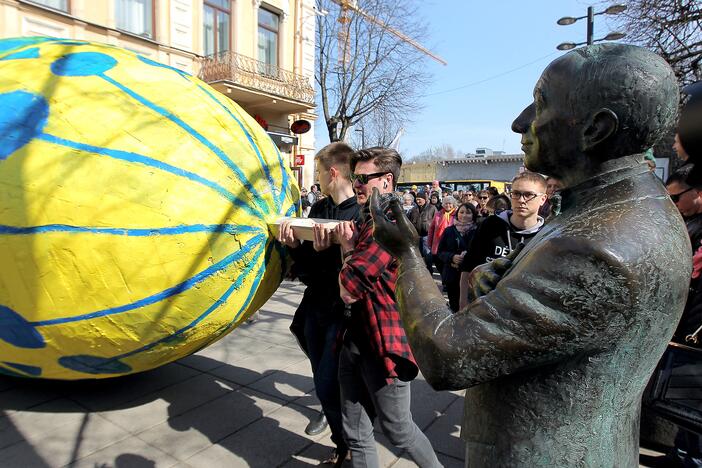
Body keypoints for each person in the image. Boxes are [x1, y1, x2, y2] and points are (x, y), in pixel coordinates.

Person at [369, 44, 689, 466]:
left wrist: (407, 253)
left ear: (596, 130)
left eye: (540, 104)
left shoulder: (598, 247)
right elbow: (513, 276)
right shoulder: (613, 208)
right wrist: (501, 277)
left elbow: (447, 356)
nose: (521, 122)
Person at [333, 147, 442, 468]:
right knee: (356, 431)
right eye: (355, 178)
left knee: (399, 431)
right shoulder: (368, 220)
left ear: (388, 180)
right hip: (354, 340)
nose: (357, 186)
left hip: (384, 347)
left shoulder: (390, 224)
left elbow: (349, 288)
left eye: (364, 179)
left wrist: (347, 248)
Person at [277, 142, 360, 466]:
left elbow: (357, 273)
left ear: (333, 172)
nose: (319, 179)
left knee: (327, 385)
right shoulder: (319, 210)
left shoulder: (358, 214)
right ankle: (342, 435)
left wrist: (336, 251)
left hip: (342, 313)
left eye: (320, 172)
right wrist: (295, 245)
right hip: (314, 308)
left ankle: (347, 446)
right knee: (322, 379)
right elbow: (309, 268)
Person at [457, 172, 546, 309]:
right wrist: (463, 307)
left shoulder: (545, 236)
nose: (521, 200)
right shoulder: (490, 224)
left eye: (528, 195)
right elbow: (468, 267)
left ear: (543, 199)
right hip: (482, 309)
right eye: (516, 194)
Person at [436, 203, 477, 311]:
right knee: (454, 306)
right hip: (452, 275)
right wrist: (452, 257)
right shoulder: (449, 231)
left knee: (470, 308)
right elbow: (440, 252)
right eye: (461, 212)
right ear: (457, 214)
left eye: (468, 213)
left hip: (471, 277)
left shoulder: (478, 231)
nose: (464, 215)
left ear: (474, 215)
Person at [427, 195, 457, 281]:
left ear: (453, 204)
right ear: (443, 204)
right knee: (438, 263)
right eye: (446, 203)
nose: (448, 205)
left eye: (450, 203)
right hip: (438, 243)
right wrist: (429, 242)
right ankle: (443, 277)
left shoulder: (457, 214)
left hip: (450, 244)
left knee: (447, 264)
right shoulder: (438, 214)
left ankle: (445, 281)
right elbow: (431, 229)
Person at [414, 192, 437, 271]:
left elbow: (436, 221)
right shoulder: (413, 209)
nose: (418, 201)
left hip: (427, 235)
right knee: (418, 255)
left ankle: (429, 270)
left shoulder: (432, 208)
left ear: (424, 199)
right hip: (416, 235)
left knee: (427, 254)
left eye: (419, 199)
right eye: (416, 200)